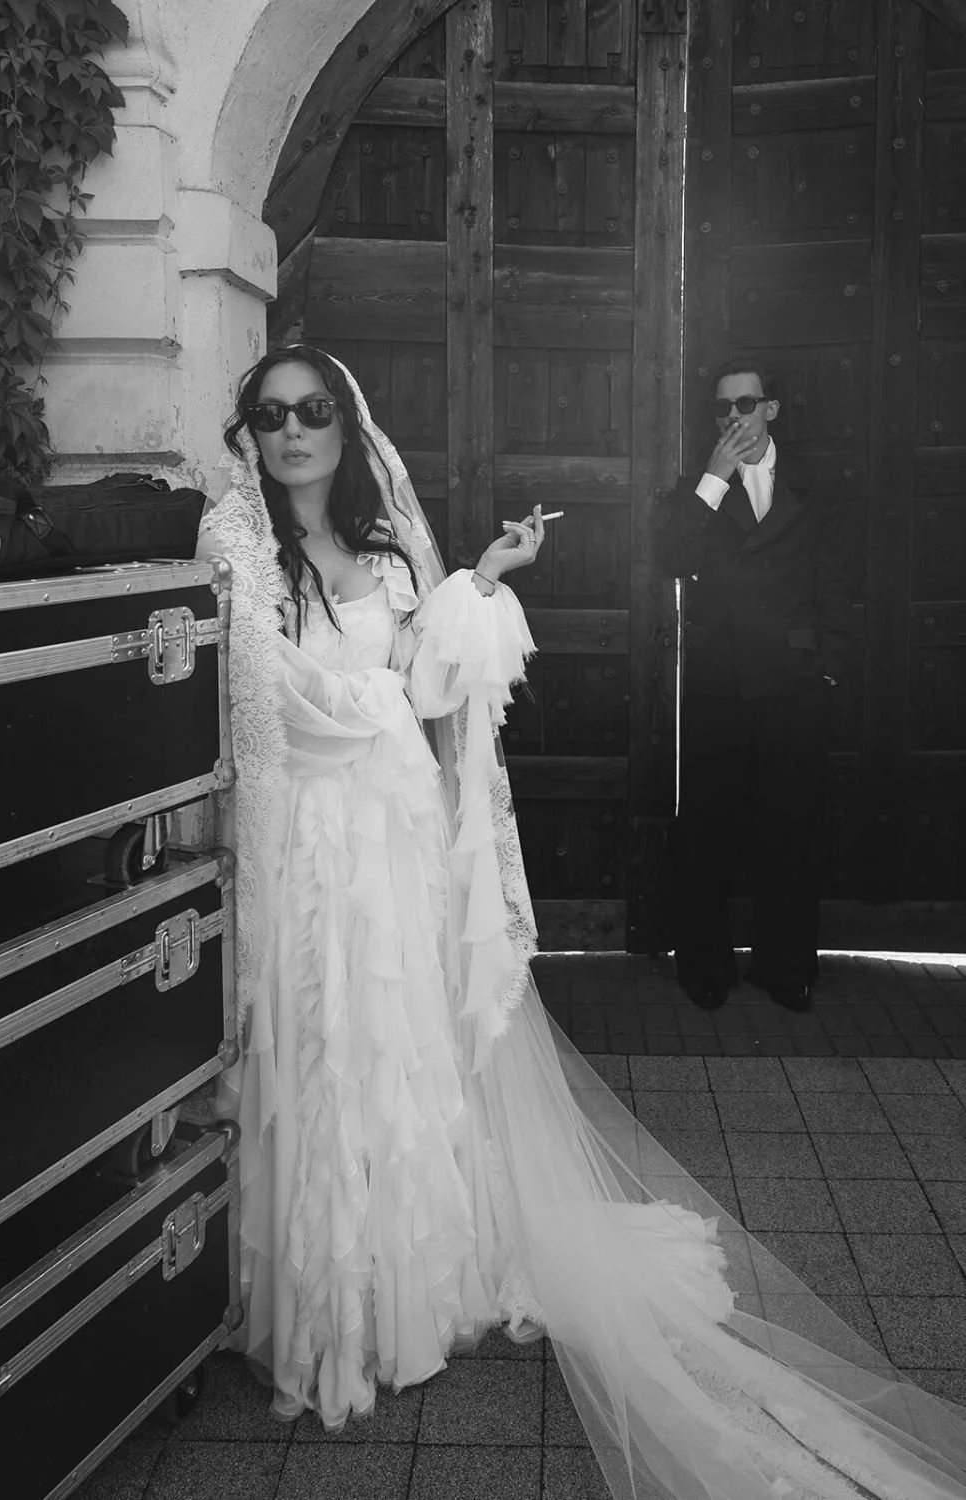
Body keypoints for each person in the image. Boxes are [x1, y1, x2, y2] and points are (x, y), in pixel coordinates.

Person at [197, 345, 966, 1500]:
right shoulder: (235, 544)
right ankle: (332, 1298)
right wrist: (389, 703)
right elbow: (270, 701)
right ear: (248, 431)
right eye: (272, 414)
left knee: (406, 1054)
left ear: (348, 426)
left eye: (316, 410)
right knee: (324, 1045)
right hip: (311, 843)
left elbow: (427, 682)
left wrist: (482, 580)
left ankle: (418, 1276)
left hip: (396, 838)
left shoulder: (382, 544)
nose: (295, 430)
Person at [655, 362, 852, 1014]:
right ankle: (704, 967)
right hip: (717, 683)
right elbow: (673, 559)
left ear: (769, 408)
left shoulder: (812, 485)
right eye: (720, 409)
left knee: (791, 832)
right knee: (705, 832)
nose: (732, 417)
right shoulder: (697, 488)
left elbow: (838, 581)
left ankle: (785, 967)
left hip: (793, 685)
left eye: (744, 403)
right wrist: (712, 477)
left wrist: (826, 665)